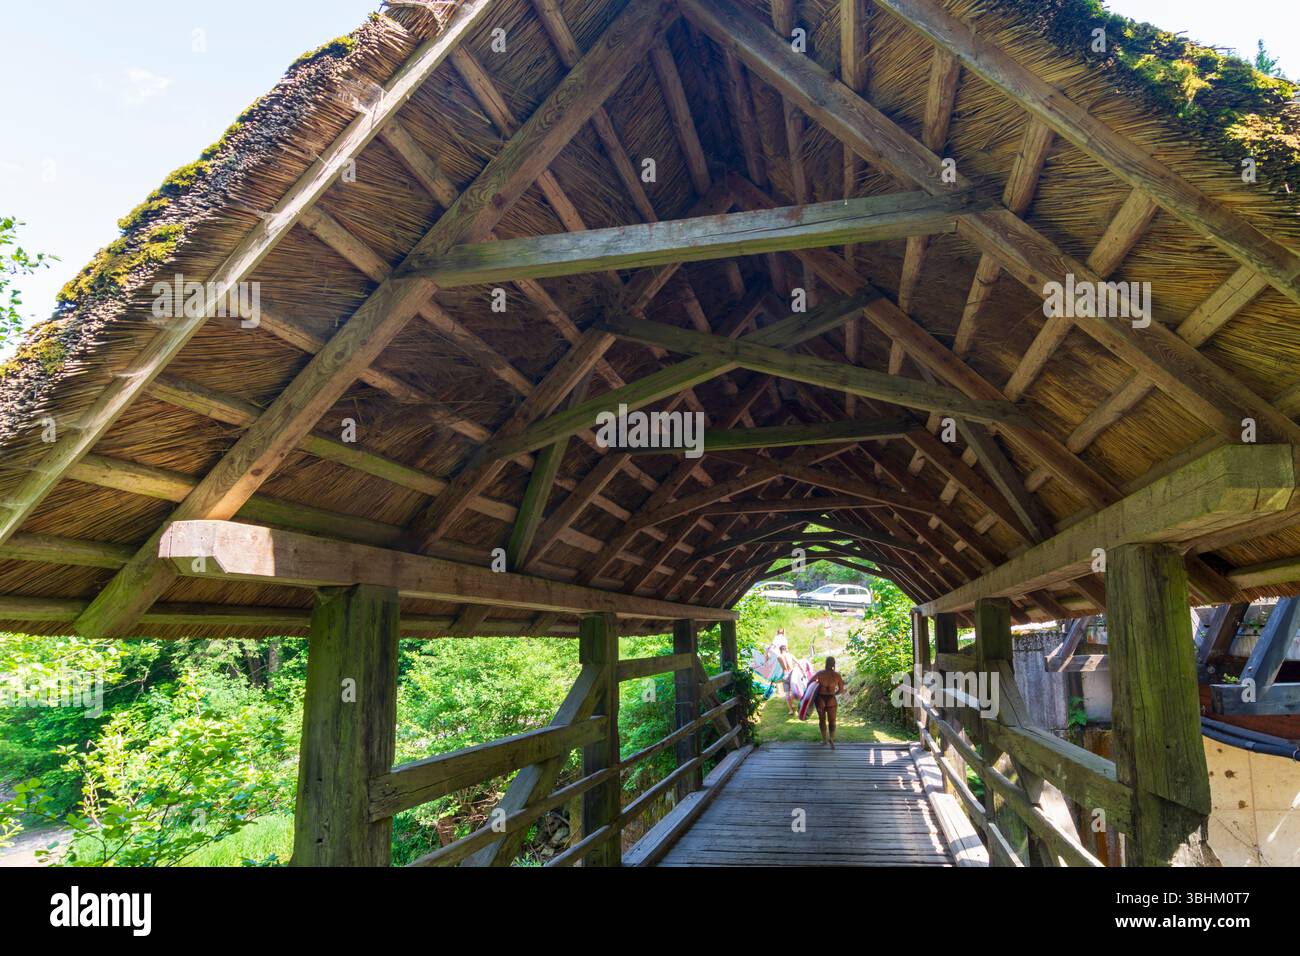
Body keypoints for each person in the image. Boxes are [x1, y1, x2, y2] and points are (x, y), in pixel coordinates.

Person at [811, 656, 846, 748]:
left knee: (822, 720)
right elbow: (842, 690)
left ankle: (824, 740)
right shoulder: (837, 675)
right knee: (832, 721)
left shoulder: (820, 673)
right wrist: (834, 693)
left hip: (820, 699)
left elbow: (809, 683)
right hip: (831, 699)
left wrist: (815, 691)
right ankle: (832, 739)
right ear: (834, 664)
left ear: (826, 663)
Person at [774, 631, 798, 716]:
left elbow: (779, 666)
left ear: (780, 650)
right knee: (795, 691)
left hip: (785, 675)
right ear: (786, 649)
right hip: (792, 675)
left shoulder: (779, 657)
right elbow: (798, 663)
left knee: (787, 693)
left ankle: (790, 710)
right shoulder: (790, 655)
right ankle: (797, 705)